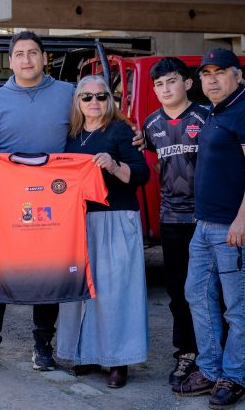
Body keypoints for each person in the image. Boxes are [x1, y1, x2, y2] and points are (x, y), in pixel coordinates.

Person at [0, 31, 74, 373]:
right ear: (11, 60)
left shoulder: (68, 94)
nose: (27, 59)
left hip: (55, 199)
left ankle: (43, 346)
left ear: (45, 58)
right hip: (8, 200)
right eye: (19, 54)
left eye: (33, 53)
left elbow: (89, 132)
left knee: (48, 274)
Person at [177, 49, 245, 409]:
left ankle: (234, 377)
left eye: (220, 72)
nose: (212, 79)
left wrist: (243, 218)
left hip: (234, 227)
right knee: (197, 295)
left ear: (238, 76)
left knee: (236, 305)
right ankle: (211, 368)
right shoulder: (217, 111)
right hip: (205, 223)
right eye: (206, 73)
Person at [57, 74, 150, 388]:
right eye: (86, 97)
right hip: (79, 222)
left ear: (109, 100)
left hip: (115, 218)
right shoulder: (72, 135)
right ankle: (86, 354)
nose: (94, 102)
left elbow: (141, 173)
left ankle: (118, 361)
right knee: (83, 292)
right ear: (78, 102)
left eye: (100, 96)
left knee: (116, 293)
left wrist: (113, 165)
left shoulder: (120, 131)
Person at [143, 58, 208, 388]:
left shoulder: (205, 117)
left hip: (206, 217)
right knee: (178, 289)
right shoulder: (151, 124)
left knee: (208, 289)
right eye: (159, 84)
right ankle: (186, 353)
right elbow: (160, 164)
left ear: (187, 83)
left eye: (171, 81)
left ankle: (213, 355)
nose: (165, 89)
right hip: (171, 218)